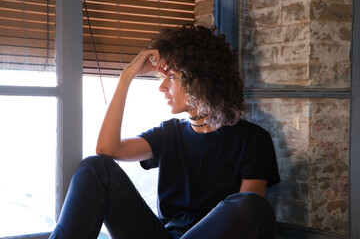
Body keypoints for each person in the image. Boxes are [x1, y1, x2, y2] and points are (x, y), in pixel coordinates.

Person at [50, 24, 280, 239]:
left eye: (170, 76)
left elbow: (249, 220)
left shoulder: (253, 140)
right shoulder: (168, 134)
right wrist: (126, 76)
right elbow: (107, 149)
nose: (161, 86)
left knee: (250, 204)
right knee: (95, 167)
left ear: (200, 79)